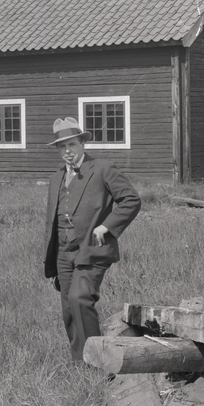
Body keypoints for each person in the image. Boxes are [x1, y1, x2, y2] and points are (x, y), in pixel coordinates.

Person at [42, 117, 141, 365]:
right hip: (63, 252)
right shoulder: (55, 179)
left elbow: (131, 199)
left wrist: (107, 226)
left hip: (92, 249)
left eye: (72, 144)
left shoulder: (103, 168)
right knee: (68, 307)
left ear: (82, 144)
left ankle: (97, 361)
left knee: (80, 298)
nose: (67, 151)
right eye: (62, 146)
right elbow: (52, 219)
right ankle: (80, 363)